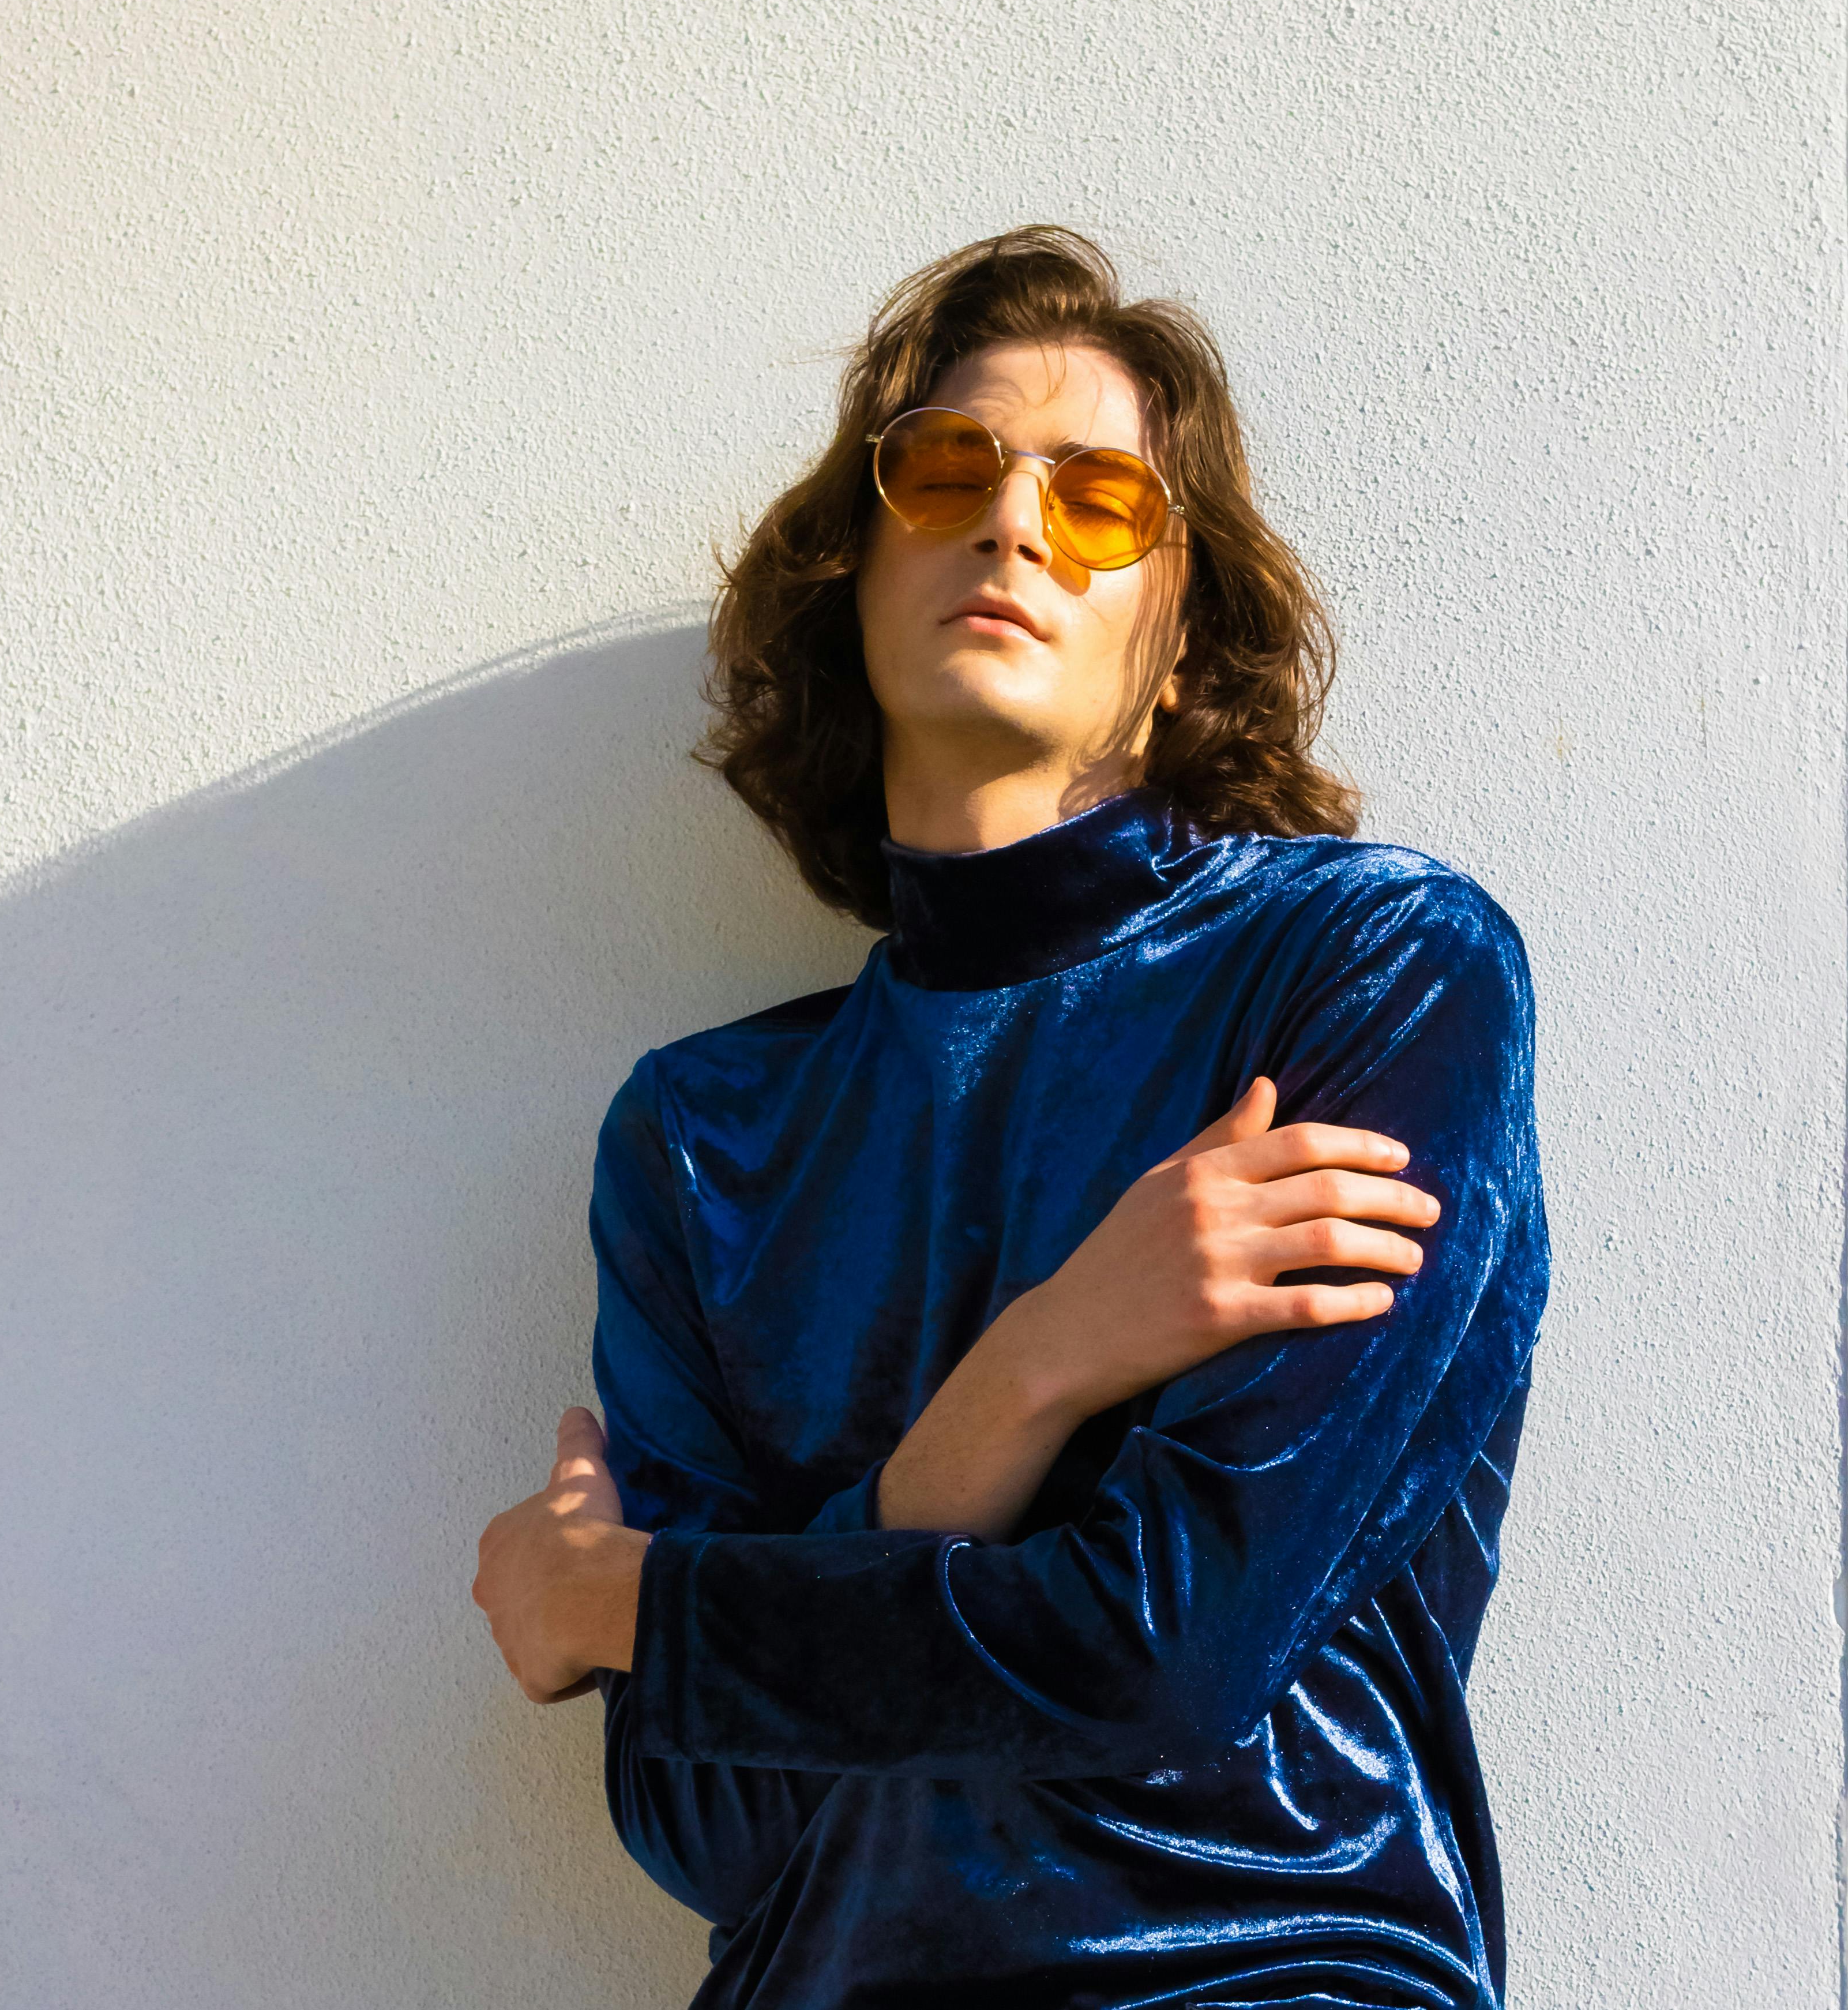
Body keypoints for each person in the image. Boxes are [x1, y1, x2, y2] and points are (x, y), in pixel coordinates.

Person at [472, 227, 1549, 2009]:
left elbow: (1166, 1650)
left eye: (1104, 497)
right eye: (948, 467)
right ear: (853, 570)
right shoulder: (698, 1133)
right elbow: (705, 1818)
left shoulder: (1367, 969)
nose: (1017, 523)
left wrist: (641, 1606)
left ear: (1182, 639)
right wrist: (1038, 1366)